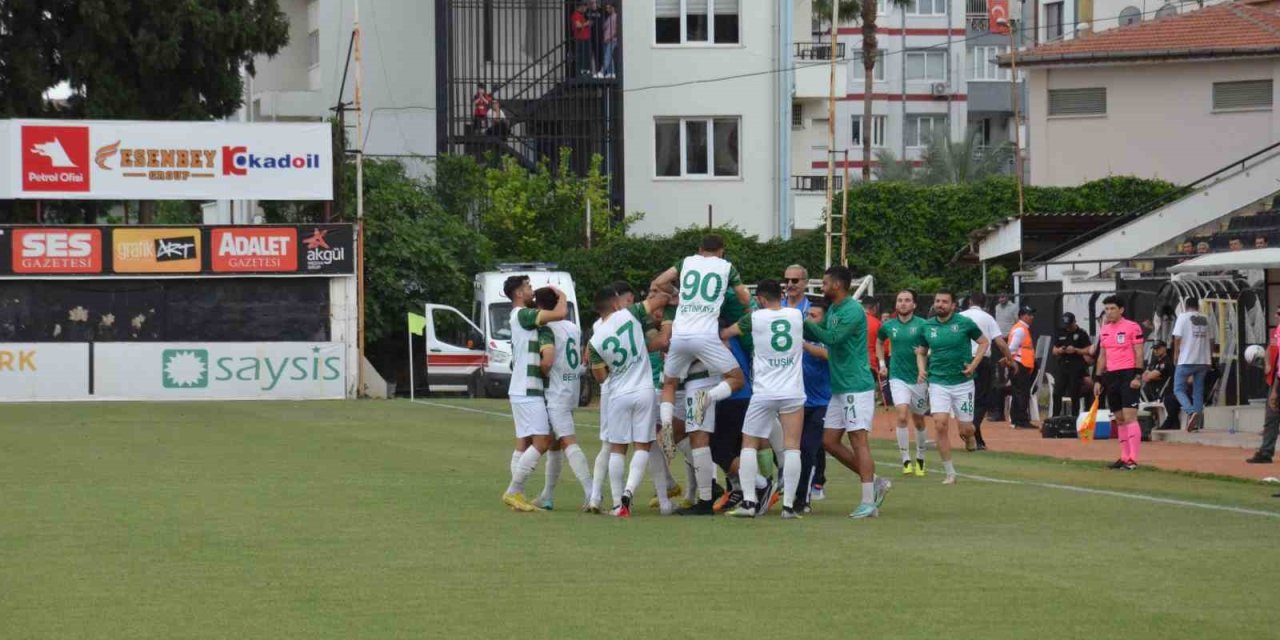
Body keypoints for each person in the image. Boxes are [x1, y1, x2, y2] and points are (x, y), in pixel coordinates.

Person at [651, 235, 749, 506]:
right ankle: (708, 399)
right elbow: (744, 297)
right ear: (722, 251)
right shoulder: (726, 266)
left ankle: (667, 425)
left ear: (699, 249)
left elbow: (659, 281)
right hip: (706, 337)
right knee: (737, 379)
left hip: (681, 335)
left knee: (669, 383)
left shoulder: (687, 262)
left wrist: (677, 293)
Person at [803, 265, 890, 519]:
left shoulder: (852, 310)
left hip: (855, 386)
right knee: (829, 441)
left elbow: (832, 338)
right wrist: (795, 322)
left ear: (837, 285)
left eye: (825, 283)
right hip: (840, 386)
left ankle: (868, 502)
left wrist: (803, 322)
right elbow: (819, 331)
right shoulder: (834, 309)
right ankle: (875, 481)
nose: (823, 287)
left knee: (858, 440)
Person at [720, 279, 807, 519]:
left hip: (764, 392)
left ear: (760, 299)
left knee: (749, 444)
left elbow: (727, 333)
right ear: (781, 295)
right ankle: (788, 506)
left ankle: (749, 502)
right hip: (792, 391)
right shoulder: (796, 315)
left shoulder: (754, 318)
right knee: (792, 447)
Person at [586, 286, 669, 517]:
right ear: (615, 304)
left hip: (618, 394)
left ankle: (617, 504)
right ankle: (629, 491)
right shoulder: (629, 314)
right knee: (643, 445)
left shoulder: (594, 341)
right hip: (644, 390)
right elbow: (659, 300)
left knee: (617, 448)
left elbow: (600, 377)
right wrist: (665, 294)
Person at [500, 275, 568, 512]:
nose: (531, 290)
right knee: (543, 441)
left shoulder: (519, 316)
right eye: (528, 287)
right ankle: (513, 490)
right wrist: (562, 296)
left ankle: (518, 494)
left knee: (524, 443)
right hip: (527, 389)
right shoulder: (523, 314)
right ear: (519, 293)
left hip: (521, 388)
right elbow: (559, 314)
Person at [531, 287, 595, 510]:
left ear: (539, 306)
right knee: (554, 443)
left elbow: (547, 361)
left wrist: (540, 373)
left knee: (567, 440)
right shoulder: (572, 327)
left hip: (556, 391)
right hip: (571, 387)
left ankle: (591, 492)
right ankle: (547, 496)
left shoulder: (546, 328)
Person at [915, 290, 989, 485]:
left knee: (966, 429)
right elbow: (921, 352)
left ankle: (969, 436)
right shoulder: (927, 326)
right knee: (940, 424)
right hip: (938, 382)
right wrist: (921, 369)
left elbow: (984, 342)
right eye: (937, 301)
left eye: (944, 302)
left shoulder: (964, 323)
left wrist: (973, 365)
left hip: (963, 383)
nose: (940, 304)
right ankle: (950, 473)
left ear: (953, 305)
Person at [876, 290, 929, 476]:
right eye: (900, 300)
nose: (903, 303)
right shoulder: (888, 325)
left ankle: (920, 457)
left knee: (919, 419)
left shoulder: (923, 325)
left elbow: (933, 345)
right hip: (897, 377)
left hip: (919, 379)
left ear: (914, 304)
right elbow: (879, 342)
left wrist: (925, 353)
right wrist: (882, 364)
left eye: (907, 300)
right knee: (901, 414)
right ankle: (905, 459)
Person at [1093, 295, 1145, 470]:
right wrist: (1098, 379)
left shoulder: (1132, 327)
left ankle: (1132, 459)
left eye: (1112, 308)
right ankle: (1124, 456)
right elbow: (1102, 356)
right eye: (1106, 309)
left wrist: (1137, 376)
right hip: (1111, 376)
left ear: (1121, 310)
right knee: (1120, 419)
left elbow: (1139, 352)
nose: (1109, 312)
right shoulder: (1105, 329)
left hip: (1128, 374)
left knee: (1130, 416)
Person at [960, 292, 1014, 450]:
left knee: (964, 397)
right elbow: (1000, 343)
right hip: (982, 360)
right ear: (984, 303)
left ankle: (976, 437)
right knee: (982, 399)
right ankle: (972, 428)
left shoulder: (959, 316)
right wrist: (1010, 359)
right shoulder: (988, 318)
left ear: (970, 301)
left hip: (962, 360)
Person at [797, 302, 830, 512]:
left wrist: (801, 344)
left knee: (809, 449)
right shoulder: (798, 335)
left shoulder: (829, 338)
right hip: (797, 401)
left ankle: (804, 497)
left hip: (821, 403)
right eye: (808, 315)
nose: (809, 319)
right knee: (789, 449)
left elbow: (826, 355)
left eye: (815, 316)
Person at [1172, 297, 1212, 432]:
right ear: (1198, 307)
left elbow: (1177, 337)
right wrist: (1210, 357)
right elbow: (1212, 340)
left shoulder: (1182, 317)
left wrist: (1176, 354)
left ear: (1186, 306)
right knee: (1198, 391)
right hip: (1203, 360)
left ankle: (1190, 411)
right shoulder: (1206, 318)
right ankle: (1196, 423)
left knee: (1178, 389)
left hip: (1186, 359)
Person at [1248, 310, 1280, 464]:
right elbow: (1270, 348)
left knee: (1272, 415)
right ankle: (1266, 452)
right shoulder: (1277, 331)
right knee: (1271, 417)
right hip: (1275, 379)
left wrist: (1275, 389)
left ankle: (1266, 451)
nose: (1276, 316)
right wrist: (1267, 363)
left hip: (1278, 381)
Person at [1052, 312, 1093, 417]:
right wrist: (1061, 350)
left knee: (1075, 392)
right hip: (1063, 364)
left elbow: (1089, 349)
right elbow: (1054, 350)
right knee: (1057, 392)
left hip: (1077, 365)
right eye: (1066, 325)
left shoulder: (1082, 333)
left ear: (1074, 322)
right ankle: (1055, 416)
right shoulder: (1060, 332)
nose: (1068, 328)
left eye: (1070, 325)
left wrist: (1076, 350)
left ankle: (1075, 417)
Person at [1008, 305, 1038, 429]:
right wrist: (1012, 362)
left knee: (1018, 392)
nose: (1032, 317)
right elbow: (1012, 348)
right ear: (1021, 316)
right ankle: (1021, 420)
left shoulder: (1022, 328)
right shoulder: (1020, 329)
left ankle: (1016, 419)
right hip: (1019, 364)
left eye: (1032, 314)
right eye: (1029, 314)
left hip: (1021, 364)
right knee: (1022, 393)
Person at [1141, 340, 1181, 431]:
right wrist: (1151, 376)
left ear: (1164, 348)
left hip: (1161, 392)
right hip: (1151, 391)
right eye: (1154, 349)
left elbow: (1149, 376)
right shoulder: (1155, 361)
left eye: (1158, 348)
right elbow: (1145, 376)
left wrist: (1151, 376)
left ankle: (1154, 423)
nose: (1156, 351)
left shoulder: (1166, 361)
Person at [571, 4, 593, 76]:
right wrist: (587, 23)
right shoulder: (576, 14)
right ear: (581, 7)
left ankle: (586, 71)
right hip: (580, 39)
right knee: (581, 56)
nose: (586, 9)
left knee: (587, 56)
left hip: (586, 38)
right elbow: (578, 25)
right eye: (585, 7)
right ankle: (580, 72)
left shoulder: (583, 15)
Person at [600, 3, 618, 78]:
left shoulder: (616, 16)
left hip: (611, 40)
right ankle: (611, 73)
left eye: (608, 8)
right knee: (609, 57)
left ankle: (602, 72)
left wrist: (610, 37)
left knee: (607, 56)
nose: (607, 10)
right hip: (606, 40)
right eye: (606, 8)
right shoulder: (609, 17)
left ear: (612, 8)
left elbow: (617, 29)